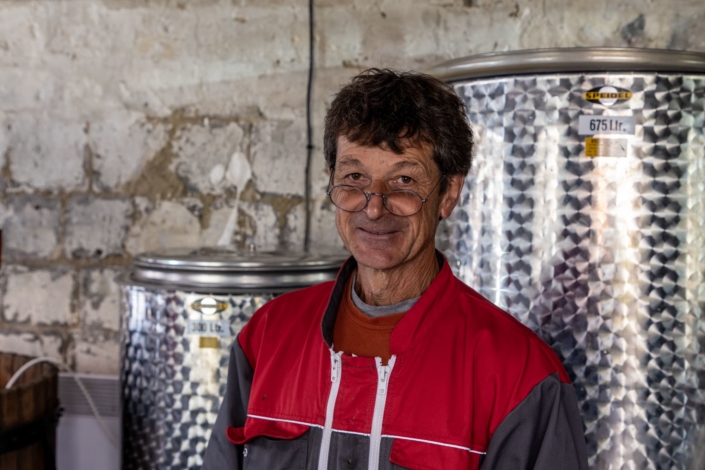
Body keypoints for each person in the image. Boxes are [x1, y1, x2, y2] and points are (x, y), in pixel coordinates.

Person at [202, 68, 588, 470]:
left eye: (404, 180)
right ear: (330, 180)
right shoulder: (267, 338)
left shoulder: (519, 375)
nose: (373, 206)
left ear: (447, 194)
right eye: (354, 177)